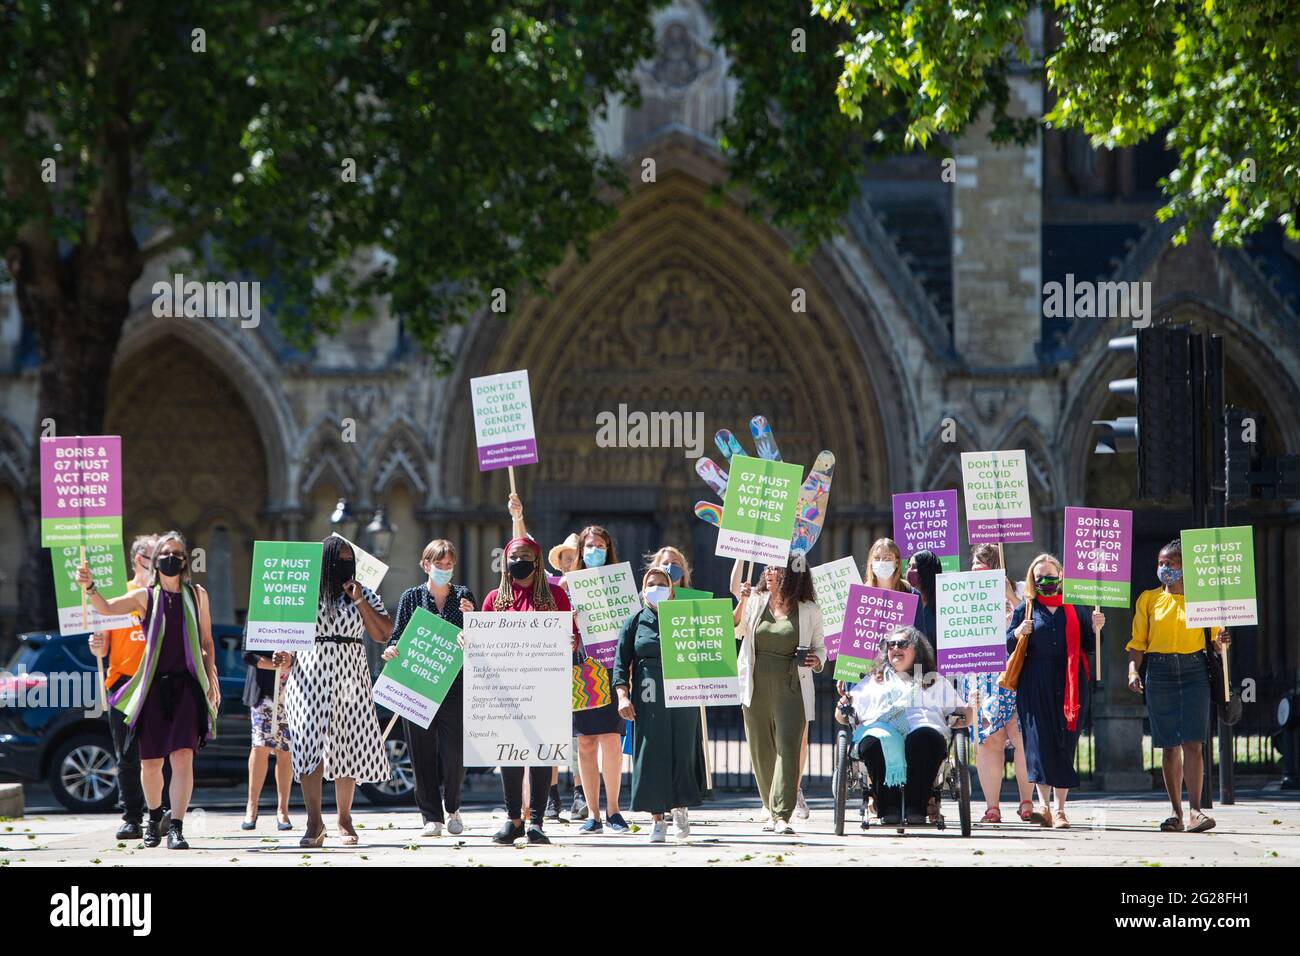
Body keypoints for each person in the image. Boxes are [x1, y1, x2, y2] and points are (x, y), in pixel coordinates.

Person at [78, 531, 220, 850]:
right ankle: (154, 817)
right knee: (151, 763)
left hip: (187, 686)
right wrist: (89, 587)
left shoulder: (197, 595)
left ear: (185, 562)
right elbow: (106, 608)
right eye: (165, 554)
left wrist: (211, 679)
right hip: (152, 688)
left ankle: (177, 827)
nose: (172, 559)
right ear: (156, 563)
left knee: (183, 757)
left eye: (178, 554)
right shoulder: (145, 596)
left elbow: (207, 641)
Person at [282, 536, 393, 848]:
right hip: (310, 673)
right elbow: (287, 637)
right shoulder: (303, 595)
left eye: (349, 560)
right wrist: (284, 654)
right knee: (307, 740)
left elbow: (383, 633)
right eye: (339, 560)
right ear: (325, 563)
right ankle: (313, 820)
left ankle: (344, 817)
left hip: (350, 673)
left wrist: (359, 600)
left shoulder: (365, 592)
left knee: (347, 743)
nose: (345, 565)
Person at [477, 535, 580, 846]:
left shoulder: (556, 597)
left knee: (540, 755)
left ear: (536, 560)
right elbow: (484, 641)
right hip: (508, 689)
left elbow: (569, 635)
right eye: (513, 555)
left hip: (545, 686)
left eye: (525, 555)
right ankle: (513, 820)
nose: (518, 560)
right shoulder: (495, 599)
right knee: (509, 754)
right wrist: (469, 640)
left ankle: (536, 821)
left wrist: (570, 641)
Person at [1127, 539, 1229, 833]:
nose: (1164, 568)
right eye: (1161, 563)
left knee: (1193, 744)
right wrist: (1133, 670)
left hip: (1194, 671)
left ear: (1185, 568)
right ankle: (1175, 812)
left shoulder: (1203, 600)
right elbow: (1137, 643)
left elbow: (1214, 640)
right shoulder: (1148, 599)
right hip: (1158, 672)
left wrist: (1222, 642)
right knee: (1169, 746)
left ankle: (1196, 811)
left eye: (1170, 563)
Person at [381, 539, 475, 838]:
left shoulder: (463, 596)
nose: (444, 569)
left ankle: (454, 807)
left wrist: (472, 622)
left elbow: (478, 638)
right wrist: (391, 650)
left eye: (449, 565)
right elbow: (397, 636)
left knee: (455, 754)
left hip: (455, 686)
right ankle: (430, 817)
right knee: (420, 753)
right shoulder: (411, 597)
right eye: (439, 564)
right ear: (426, 565)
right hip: (418, 685)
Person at [1007, 553, 1103, 829]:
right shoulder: (1025, 609)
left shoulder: (1076, 607)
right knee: (1038, 743)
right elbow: (1007, 646)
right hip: (1034, 681)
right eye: (1039, 578)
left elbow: (1091, 645)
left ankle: (1061, 810)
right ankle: (1044, 807)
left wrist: (1096, 628)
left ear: (1061, 576)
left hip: (1071, 681)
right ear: (1032, 580)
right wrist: (1016, 633)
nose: (1045, 582)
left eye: (1050, 576)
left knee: (1064, 742)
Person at [613, 566, 709, 842]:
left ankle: (680, 808)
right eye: (651, 583)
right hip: (648, 694)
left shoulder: (688, 619)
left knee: (683, 749)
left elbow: (710, 651)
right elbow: (621, 665)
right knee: (651, 753)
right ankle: (657, 818)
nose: (656, 588)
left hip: (683, 692)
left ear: (672, 590)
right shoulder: (633, 622)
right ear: (643, 590)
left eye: (662, 583)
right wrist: (622, 695)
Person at [835, 626, 968, 824]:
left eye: (902, 644)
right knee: (873, 741)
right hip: (881, 731)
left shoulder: (934, 680)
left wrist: (972, 705)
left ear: (917, 649)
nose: (896, 648)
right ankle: (887, 807)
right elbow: (843, 716)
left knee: (923, 738)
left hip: (923, 732)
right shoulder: (874, 680)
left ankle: (917, 807)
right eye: (891, 644)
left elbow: (964, 716)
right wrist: (842, 705)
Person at [733, 559, 825, 834]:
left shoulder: (809, 610)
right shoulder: (755, 600)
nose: (768, 572)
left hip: (792, 684)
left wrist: (815, 660)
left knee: (788, 746)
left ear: (791, 575)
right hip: (756, 681)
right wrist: (742, 600)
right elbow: (737, 630)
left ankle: (783, 814)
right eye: (768, 568)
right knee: (761, 749)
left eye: (776, 568)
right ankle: (770, 809)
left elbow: (821, 649)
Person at [87, 533, 156, 840]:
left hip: (156, 680)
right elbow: (102, 650)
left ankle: (163, 812)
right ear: (141, 559)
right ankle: (131, 817)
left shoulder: (163, 595)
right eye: (159, 555)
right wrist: (96, 644)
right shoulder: (120, 594)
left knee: (158, 753)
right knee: (126, 754)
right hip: (122, 683)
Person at [966, 544, 1034, 824]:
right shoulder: (963, 595)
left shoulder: (1020, 591)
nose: (977, 572)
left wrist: (1007, 594)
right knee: (989, 740)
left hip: (1018, 674)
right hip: (982, 675)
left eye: (985, 566)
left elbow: (1034, 622)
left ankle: (1027, 802)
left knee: (1022, 738)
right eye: (974, 566)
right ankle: (992, 807)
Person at [570, 526, 629, 834]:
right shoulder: (567, 587)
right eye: (589, 545)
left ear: (609, 549)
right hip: (581, 670)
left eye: (601, 545)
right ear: (581, 550)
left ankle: (614, 811)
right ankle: (593, 814)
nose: (595, 550)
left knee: (611, 740)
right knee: (586, 742)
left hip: (610, 667)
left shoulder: (620, 584)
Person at [239, 636, 294, 831]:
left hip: (291, 693)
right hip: (263, 694)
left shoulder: (299, 610)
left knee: (285, 751)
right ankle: (251, 808)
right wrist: (276, 665)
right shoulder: (258, 610)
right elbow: (247, 655)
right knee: (260, 747)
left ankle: (283, 811)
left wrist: (291, 662)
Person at [547, 530, 583, 821]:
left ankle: (580, 793)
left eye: (573, 556)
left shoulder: (592, 587)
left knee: (579, 733)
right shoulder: (547, 587)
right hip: (551, 663)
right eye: (564, 557)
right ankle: (551, 796)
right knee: (553, 730)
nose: (569, 561)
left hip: (582, 662)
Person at [905, 550, 942, 643]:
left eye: (914, 567)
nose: (909, 571)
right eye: (909, 566)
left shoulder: (941, 607)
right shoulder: (904, 602)